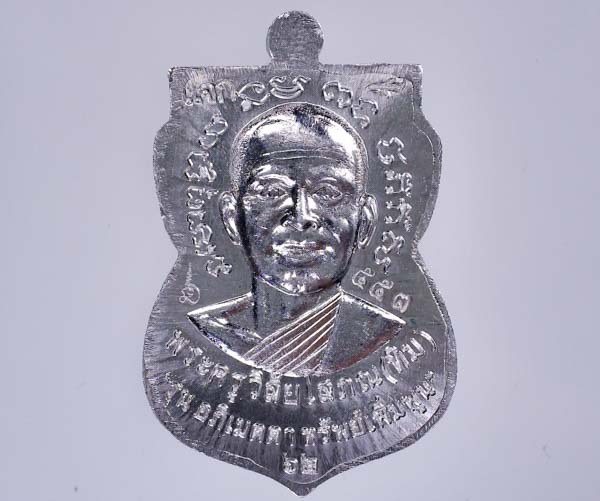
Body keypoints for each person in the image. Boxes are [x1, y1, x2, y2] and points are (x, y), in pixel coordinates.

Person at [188, 102, 405, 376]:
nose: (301, 216)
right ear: (232, 218)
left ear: (364, 221)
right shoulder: (206, 333)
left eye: (328, 193)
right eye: (271, 192)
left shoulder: (383, 335)